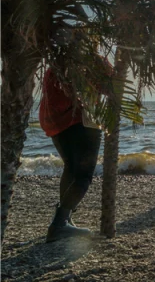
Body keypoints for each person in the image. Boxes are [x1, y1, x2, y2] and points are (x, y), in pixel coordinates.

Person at [39, 66, 105, 242]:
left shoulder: (59, 58)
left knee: (71, 167)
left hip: (54, 118)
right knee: (83, 175)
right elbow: (107, 84)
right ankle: (60, 223)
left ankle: (64, 221)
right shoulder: (83, 59)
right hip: (77, 118)